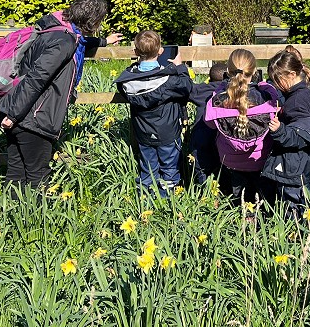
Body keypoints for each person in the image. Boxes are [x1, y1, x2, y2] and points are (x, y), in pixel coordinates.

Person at [0, 0, 122, 191]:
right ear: (92, 21)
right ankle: (36, 220)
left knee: (16, 174)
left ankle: (9, 217)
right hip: (32, 117)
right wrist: (14, 114)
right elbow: (37, 78)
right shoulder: (64, 42)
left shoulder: (53, 32)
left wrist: (103, 42)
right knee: (37, 178)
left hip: (19, 112)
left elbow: (79, 43)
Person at [115, 31, 192, 197]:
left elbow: (124, 86)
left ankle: (146, 196)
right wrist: (180, 67)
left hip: (143, 132)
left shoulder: (127, 81)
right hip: (168, 132)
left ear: (136, 52)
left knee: (147, 166)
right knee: (170, 165)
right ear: (161, 51)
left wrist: (133, 68)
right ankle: (167, 197)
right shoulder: (169, 79)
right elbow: (187, 86)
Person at [262, 49, 310, 214]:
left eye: (277, 79)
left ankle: (298, 237)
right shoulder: (309, 93)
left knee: (294, 205)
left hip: (296, 165)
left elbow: (301, 135)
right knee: (308, 198)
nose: (275, 85)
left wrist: (279, 130)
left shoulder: (297, 101)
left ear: (291, 74)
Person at [204, 48, 279, 204]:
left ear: (228, 71)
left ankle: (242, 217)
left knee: (240, 195)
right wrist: (264, 85)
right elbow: (276, 110)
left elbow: (210, 124)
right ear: (254, 71)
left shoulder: (218, 99)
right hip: (260, 158)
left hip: (230, 160)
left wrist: (219, 89)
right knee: (261, 196)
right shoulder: (267, 96)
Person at [188, 62, 229, 186]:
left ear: (209, 79)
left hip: (201, 138)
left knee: (202, 168)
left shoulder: (201, 90)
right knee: (222, 168)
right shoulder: (228, 91)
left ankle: (203, 193)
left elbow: (188, 89)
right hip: (222, 137)